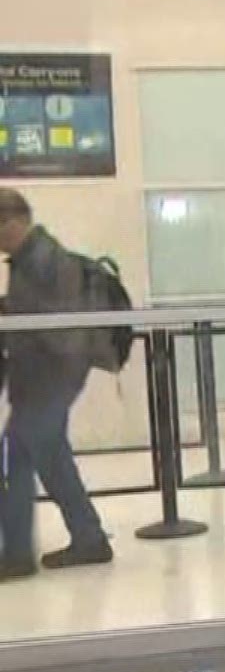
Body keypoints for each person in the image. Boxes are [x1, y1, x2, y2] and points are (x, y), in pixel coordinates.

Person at [0, 189, 111, 580]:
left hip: (50, 377)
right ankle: (84, 538)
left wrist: (13, 316)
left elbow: (60, 324)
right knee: (34, 455)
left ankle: (22, 553)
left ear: (13, 222)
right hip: (41, 379)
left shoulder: (45, 259)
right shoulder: (30, 259)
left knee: (27, 454)